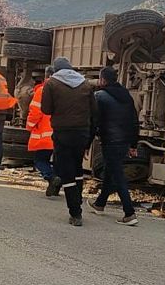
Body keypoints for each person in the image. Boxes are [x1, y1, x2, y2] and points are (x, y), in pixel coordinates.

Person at [41, 57, 98, 227]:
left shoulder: (51, 84)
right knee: (77, 167)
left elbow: (46, 109)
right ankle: (78, 200)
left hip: (62, 133)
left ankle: (75, 212)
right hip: (82, 133)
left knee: (66, 172)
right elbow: (94, 112)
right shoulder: (86, 84)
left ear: (56, 70)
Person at [90, 66, 140, 226]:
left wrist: (88, 141)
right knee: (111, 171)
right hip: (123, 142)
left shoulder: (100, 96)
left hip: (109, 141)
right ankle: (100, 203)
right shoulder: (126, 96)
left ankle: (129, 213)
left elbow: (94, 121)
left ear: (103, 80)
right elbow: (134, 121)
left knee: (118, 176)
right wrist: (133, 144)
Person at [27, 66, 61, 197]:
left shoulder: (42, 90)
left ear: (47, 76)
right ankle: (56, 185)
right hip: (60, 133)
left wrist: (30, 126)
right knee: (57, 161)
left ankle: (51, 178)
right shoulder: (63, 90)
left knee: (40, 160)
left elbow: (35, 111)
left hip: (44, 133)